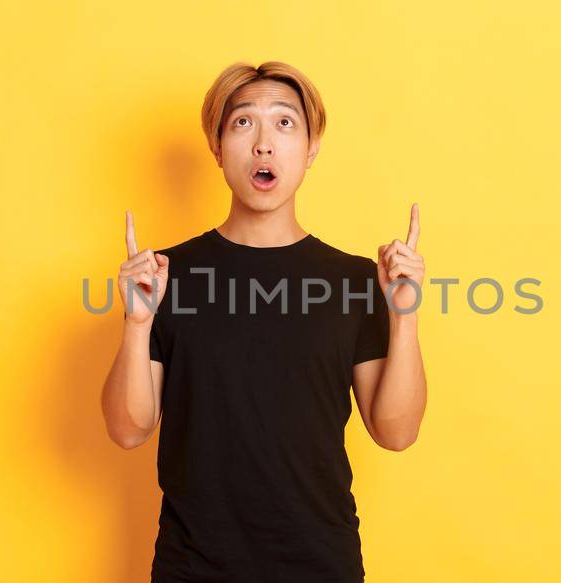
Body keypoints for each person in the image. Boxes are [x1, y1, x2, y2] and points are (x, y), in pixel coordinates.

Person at [100, 61, 428, 582]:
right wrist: (136, 324)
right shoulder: (167, 276)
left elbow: (396, 432)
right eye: (243, 123)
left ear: (311, 148)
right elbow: (127, 429)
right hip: (193, 567)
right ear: (216, 147)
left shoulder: (355, 280)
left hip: (321, 565)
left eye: (284, 123)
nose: (263, 144)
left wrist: (404, 317)